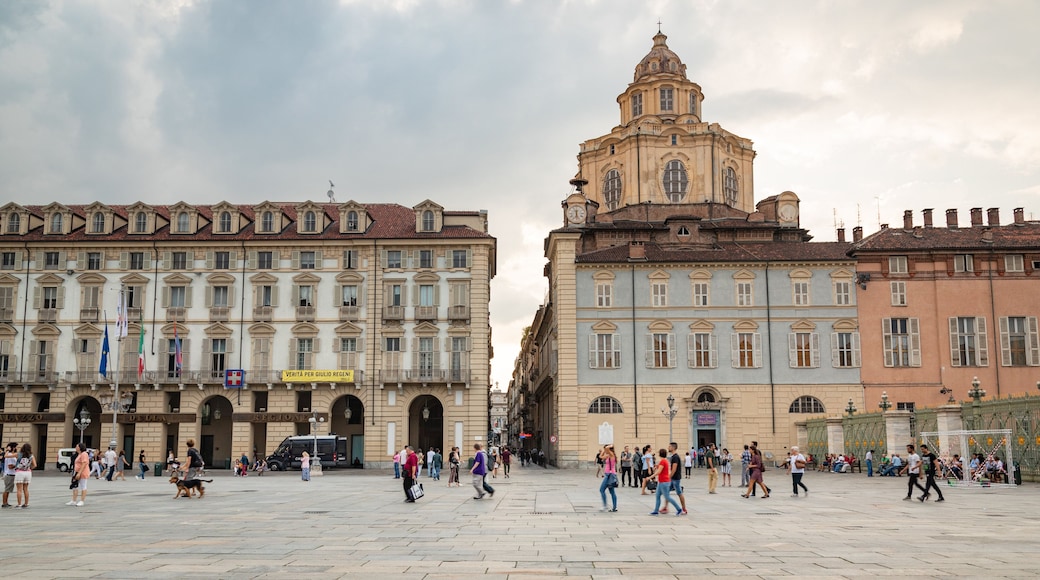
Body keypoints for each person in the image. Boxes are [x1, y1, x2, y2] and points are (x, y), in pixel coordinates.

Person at [649, 449, 684, 516]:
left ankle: (679, 509)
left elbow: (659, 471)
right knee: (657, 495)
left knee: (667, 497)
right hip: (661, 481)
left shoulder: (663, 461)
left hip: (664, 482)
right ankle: (656, 511)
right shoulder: (665, 461)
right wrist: (656, 467)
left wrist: (650, 477)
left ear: (659, 454)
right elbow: (662, 469)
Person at [12, 443, 36, 508]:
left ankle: (19, 504)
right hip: (28, 472)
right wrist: (29, 468)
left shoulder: (19, 454)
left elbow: (7, 456)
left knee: (19, 489)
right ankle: (26, 503)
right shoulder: (31, 455)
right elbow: (35, 465)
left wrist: (9, 451)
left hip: (19, 472)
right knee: (25, 489)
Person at [668, 442, 688, 515]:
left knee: (679, 493)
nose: (668, 447)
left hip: (675, 478)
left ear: (673, 448)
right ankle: (665, 507)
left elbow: (674, 469)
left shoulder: (675, 457)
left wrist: (669, 477)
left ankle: (684, 509)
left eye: (669, 446)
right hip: (673, 478)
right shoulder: (673, 457)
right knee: (666, 492)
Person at [598, 445, 618, 512]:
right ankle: (614, 507)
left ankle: (605, 506)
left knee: (602, 489)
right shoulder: (608, 456)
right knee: (612, 491)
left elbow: (607, 448)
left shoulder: (611, 455)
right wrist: (604, 450)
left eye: (606, 450)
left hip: (609, 475)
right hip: (608, 474)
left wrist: (610, 445)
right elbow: (600, 457)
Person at [2, 442, 16, 508]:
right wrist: (17, 465)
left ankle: (6, 502)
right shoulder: (10, 455)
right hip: (9, 474)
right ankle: (4, 503)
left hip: (10, 474)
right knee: (7, 489)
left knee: (8, 489)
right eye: (15, 447)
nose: (16, 448)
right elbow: (10, 466)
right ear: (12, 447)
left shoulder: (9, 454)